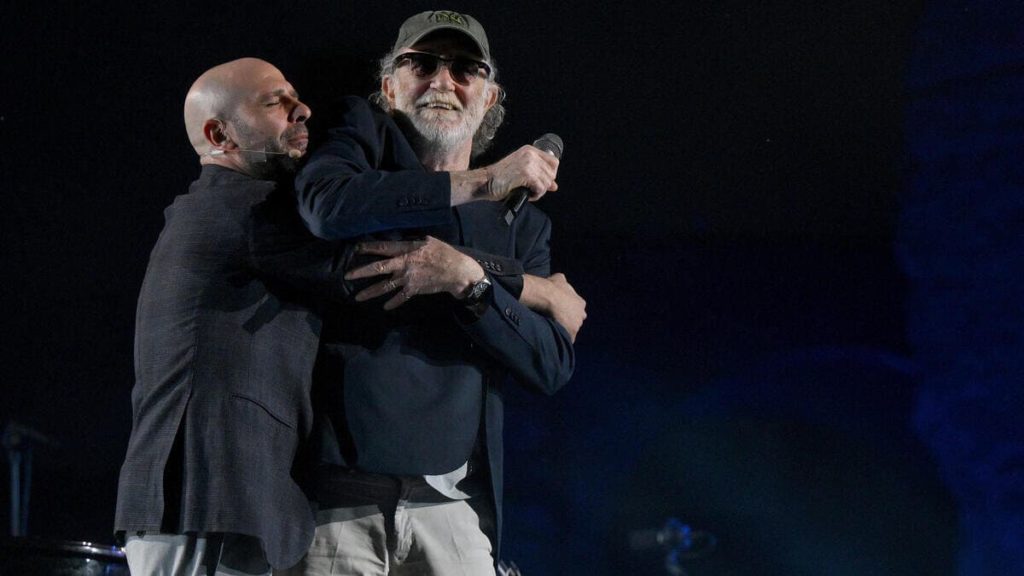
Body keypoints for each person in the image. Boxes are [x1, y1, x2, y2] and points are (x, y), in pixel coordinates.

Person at [281, 10, 586, 576]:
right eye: (422, 64)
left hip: (452, 508)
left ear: (489, 97)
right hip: (338, 508)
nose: (444, 81)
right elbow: (327, 209)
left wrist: (471, 283)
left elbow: (550, 364)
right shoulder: (359, 146)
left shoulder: (526, 226)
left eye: (466, 69)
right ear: (388, 85)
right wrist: (512, 265)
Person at [113, 57, 353, 575]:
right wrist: (516, 280)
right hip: (204, 505)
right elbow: (383, 266)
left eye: (294, 94)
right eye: (275, 102)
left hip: (222, 510)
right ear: (220, 133)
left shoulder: (243, 212)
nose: (302, 109)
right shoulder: (242, 211)